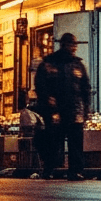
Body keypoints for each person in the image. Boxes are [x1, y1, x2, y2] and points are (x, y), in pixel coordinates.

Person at [34, 32, 91, 181]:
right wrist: (47, 100)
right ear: (64, 45)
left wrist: (86, 107)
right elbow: (40, 85)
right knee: (54, 141)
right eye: (71, 45)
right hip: (56, 109)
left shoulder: (78, 64)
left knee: (76, 142)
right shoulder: (49, 63)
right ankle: (49, 168)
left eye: (75, 45)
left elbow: (85, 87)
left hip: (75, 109)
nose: (74, 48)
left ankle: (76, 171)